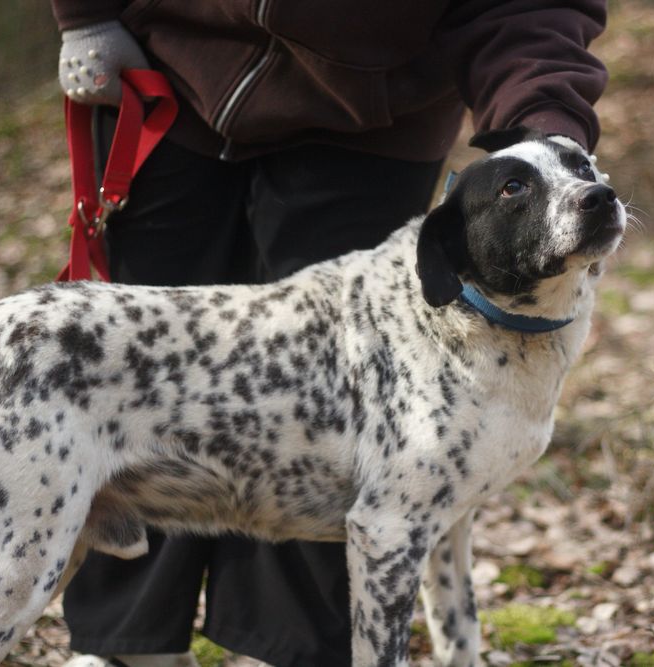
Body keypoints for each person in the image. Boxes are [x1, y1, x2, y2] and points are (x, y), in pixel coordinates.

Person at [48, 2, 609, 666]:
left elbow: (530, 6)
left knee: (337, 415)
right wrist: (85, 14)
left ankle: (295, 648)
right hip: (169, 70)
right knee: (129, 378)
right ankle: (125, 645)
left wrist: (543, 121)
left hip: (366, 119)